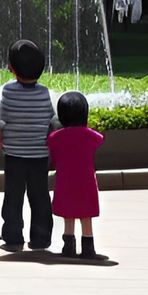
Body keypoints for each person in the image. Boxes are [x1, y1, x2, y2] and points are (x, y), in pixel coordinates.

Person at [0, 39, 56, 252]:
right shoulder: (44, 92)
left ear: (11, 68)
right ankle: (41, 236)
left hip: (14, 154)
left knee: (13, 195)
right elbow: (51, 120)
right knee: (39, 195)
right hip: (39, 154)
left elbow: (2, 119)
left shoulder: (8, 92)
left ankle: (12, 234)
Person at [48, 90, 103, 258]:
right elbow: (100, 139)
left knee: (68, 214)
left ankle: (68, 246)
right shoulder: (90, 136)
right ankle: (88, 247)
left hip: (65, 182)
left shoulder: (56, 137)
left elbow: (51, 148)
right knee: (86, 215)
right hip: (86, 182)